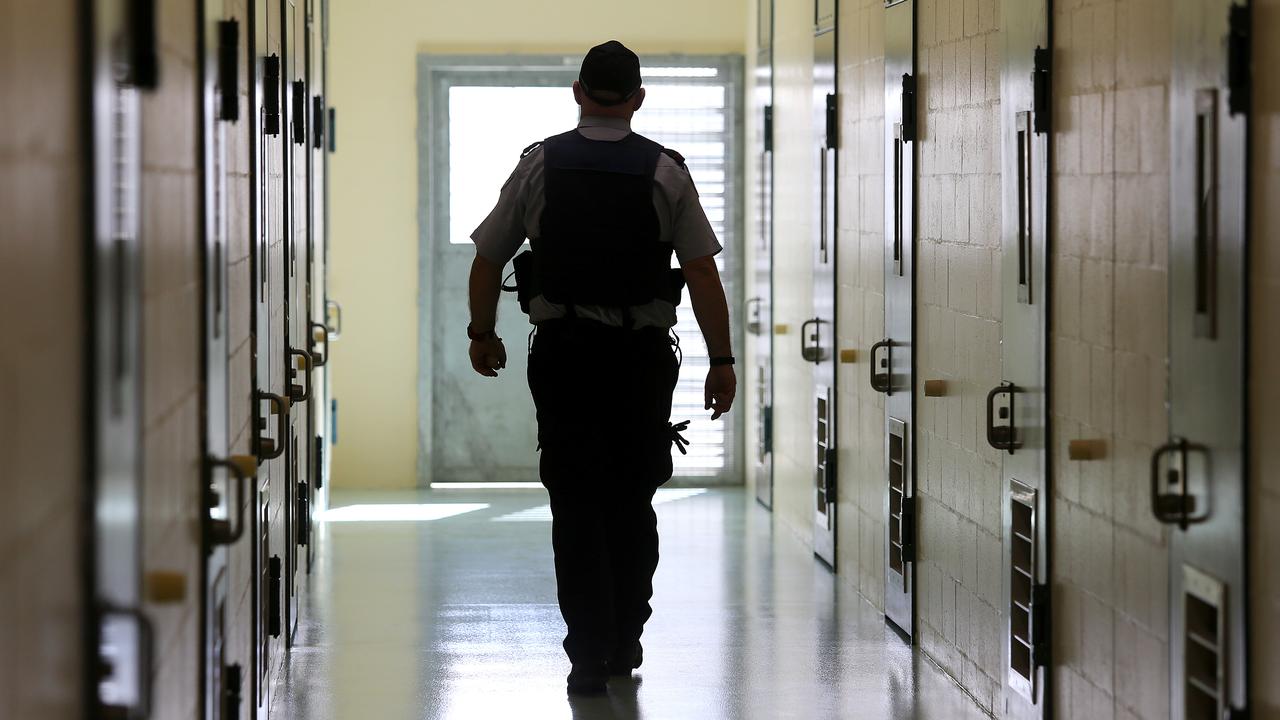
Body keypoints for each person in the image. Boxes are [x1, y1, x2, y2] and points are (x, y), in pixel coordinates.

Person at [465, 40, 736, 695]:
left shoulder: (539, 165)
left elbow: (488, 256)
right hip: (640, 364)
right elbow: (701, 271)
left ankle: (587, 653)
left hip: (565, 357)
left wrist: (483, 333)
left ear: (578, 92)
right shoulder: (665, 170)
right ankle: (625, 639)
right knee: (631, 498)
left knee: (575, 501)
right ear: (638, 98)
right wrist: (721, 361)